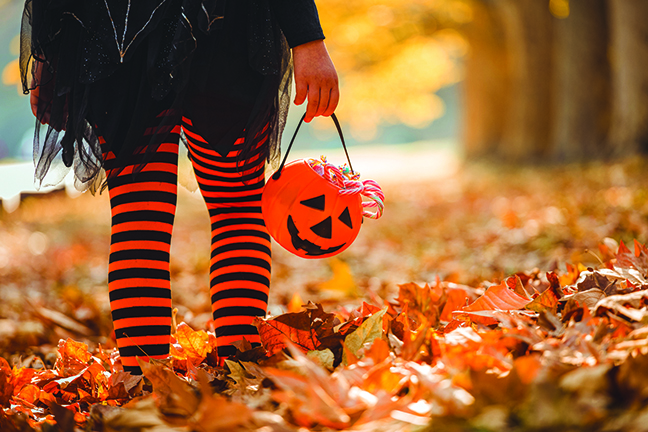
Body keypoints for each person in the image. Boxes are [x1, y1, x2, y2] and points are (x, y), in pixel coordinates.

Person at [21, 0, 339, 375]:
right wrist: (307, 38)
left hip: (145, 32)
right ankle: (221, 370)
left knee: (178, 211)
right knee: (220, 210)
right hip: (178, 32)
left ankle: (153, 379)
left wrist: (49, 49)